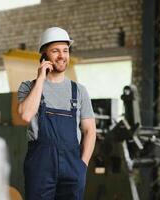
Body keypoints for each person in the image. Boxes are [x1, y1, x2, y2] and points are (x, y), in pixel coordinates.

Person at [17, 27, 96, 200]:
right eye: (55, 51)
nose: (62, 56)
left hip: (73, 166)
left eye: (65, 51)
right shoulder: (28, 87)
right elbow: (25, 115)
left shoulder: (79, 91)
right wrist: (40, 80)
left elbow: (90, 130)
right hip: (40, 167)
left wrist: (82, 165)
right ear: (44, 55)